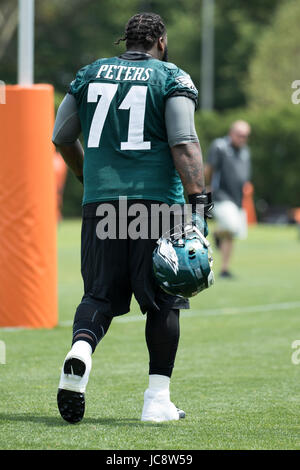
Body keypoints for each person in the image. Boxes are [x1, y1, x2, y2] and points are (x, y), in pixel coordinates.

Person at [52, 12, 211, 424]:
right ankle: (157, 401)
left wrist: (85, 173)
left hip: (103, 205)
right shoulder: (171, 76)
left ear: (126, 42)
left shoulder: (89, 74)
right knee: (164, 303)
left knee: (99, 297)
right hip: (158, 206)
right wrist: (198, 203)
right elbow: (184, 141)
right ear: (160, 41)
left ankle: (80, 351)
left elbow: (61, 136)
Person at [204, 120, 251, 278]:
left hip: (237, 198)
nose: (242, 138)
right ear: (231, 133)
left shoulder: (245, 152)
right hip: (221, 195)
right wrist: (207, 186)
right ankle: (217, 233)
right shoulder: (220, 146)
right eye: (240, 135)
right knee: (231, 227)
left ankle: (224, 268)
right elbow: (209, 168)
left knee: (233, 234)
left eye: (245, 136)